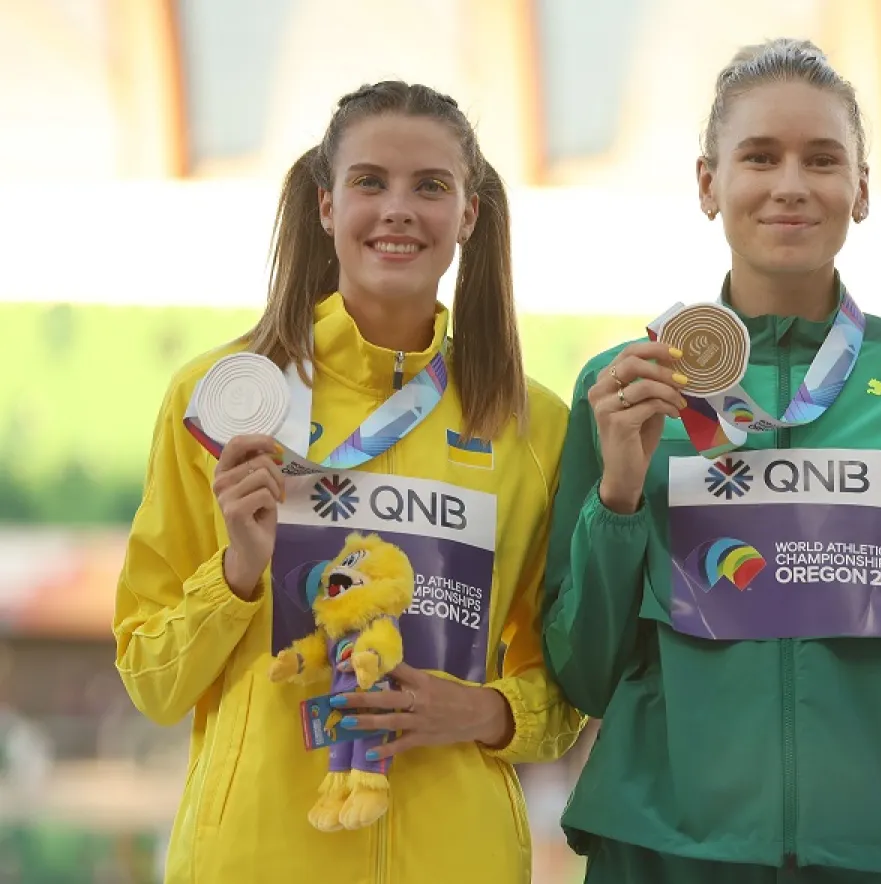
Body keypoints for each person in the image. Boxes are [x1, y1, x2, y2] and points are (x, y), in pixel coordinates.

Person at [540, 39, 881, 883]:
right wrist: (616, 494)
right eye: (759, 156)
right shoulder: (628, 387)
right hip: (661, 851)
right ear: (708, 183)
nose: (791, 183)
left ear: (861, 189)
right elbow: (581, 672)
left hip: (880, 857)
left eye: (822, 159)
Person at [113, 80, 583, 883]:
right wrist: (238, 573)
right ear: (327, 205)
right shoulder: (220, 401)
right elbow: (153, 682)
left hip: (458, 856)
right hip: (258, 855)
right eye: (370, 181)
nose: (398, 208)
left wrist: (480, 710)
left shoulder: (533, 425)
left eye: (430, 186)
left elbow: (563, 687)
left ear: (468, 215)